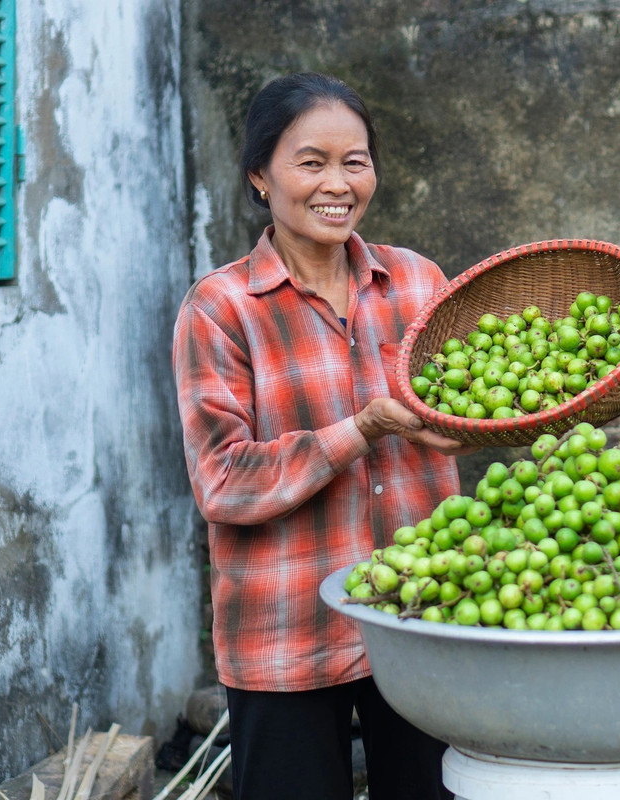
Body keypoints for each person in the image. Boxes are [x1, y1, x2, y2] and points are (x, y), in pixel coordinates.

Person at [172, 72, 471, 800]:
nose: (337, 183)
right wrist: (361, 430)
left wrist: (467, 427)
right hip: (286, 631)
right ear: (260, 178)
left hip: (420, 614)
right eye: (312, 162)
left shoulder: (417, 283)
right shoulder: (220, 308)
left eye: (355, 161)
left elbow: (463, 411)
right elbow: (222, 480)